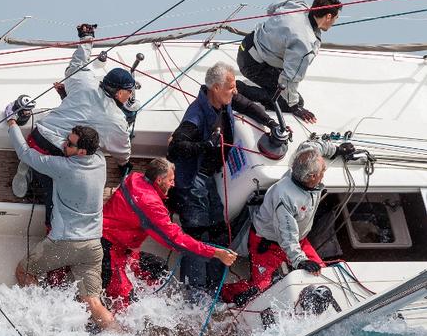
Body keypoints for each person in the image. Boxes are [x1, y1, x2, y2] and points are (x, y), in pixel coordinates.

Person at [166, 61, 276, 301]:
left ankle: (213, 291)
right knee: (197, 235)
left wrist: (271, 123)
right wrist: (205, 146)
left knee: (219, 233)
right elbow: (174, 150)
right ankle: (193, 297)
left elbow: (247, 105)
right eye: (231, 87)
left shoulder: (225, 99)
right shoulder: (196, 115)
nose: (234, 91)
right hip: (193, 179)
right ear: (215, 88)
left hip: (210, 178)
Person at [11, 23, 134, 229]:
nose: (130, 95)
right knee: (65, 184)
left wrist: (87, 38)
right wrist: (124, 165)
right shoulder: (116, 120)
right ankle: (51, 225)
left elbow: (78, 60)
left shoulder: (85, 80)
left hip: (36, 137)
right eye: (130, 91)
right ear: (121, 93)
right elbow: (122, 151)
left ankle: (27, 167)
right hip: (58, 153)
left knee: (47, 156)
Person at [7, 114, 116, 331]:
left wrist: (11, 123)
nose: (64, 144)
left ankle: (46, 324)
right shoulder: (100, 161)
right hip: (93, 245)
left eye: (70, 143)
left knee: (24, 271)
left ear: (82, 151)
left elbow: (26, 153)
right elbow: (71, 145)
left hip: (64, 243)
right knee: (93, 302)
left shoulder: (62, 166)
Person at [221, 139, 355, 306]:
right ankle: (224, 293)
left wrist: (336, 150)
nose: (325, 169)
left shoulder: (303, 162)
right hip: (268, 244)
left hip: (300, 239)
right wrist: (300, 260)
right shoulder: (285, 198)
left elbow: (310, 145)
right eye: (323, 169)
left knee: (323, 274)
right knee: (262, 288)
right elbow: (287, 236)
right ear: (312, 177)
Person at [101, 158, 237, 311]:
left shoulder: (135, 177)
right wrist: (216, 253)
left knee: (157, 267)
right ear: (159, 179)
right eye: (171, 180)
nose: (173, 184)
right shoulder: (150, 204)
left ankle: (142, 300)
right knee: (123, 301)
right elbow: (176, 240)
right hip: (107, 250)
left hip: (120, 246)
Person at [236, 0, 342, 123]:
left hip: (247, 43)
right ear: (328, 16)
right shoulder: (304, 43)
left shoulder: (297, 3)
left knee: (286, 93)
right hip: (251, 64)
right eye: (336, 18)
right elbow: (289, 78)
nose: (334, 23)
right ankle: (239, 89)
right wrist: (294, 106)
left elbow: (271, 8)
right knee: (290, 102)